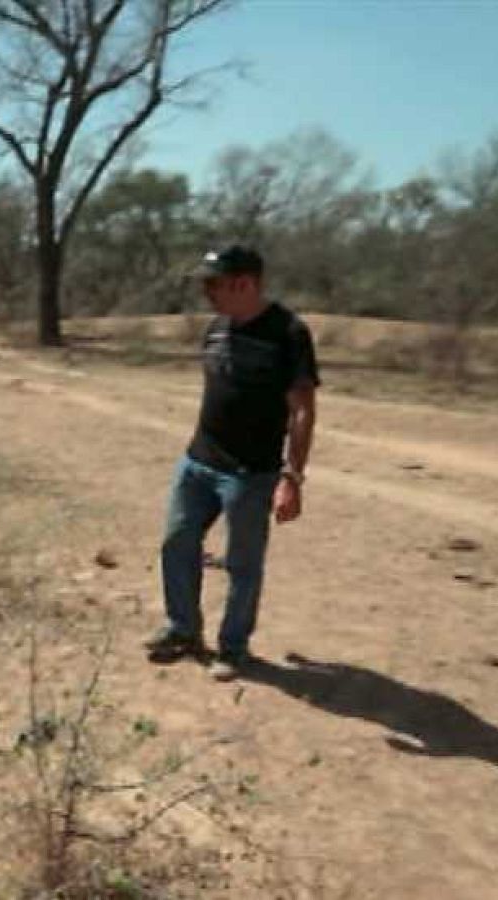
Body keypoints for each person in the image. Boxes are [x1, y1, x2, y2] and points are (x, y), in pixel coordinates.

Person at [144, 246, 320, 681]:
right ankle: (183, 629)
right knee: (177, 543)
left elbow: (301, 409)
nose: (206, 292)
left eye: (214, 283)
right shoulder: (216, 329)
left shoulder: (289, 333)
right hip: (198, 461)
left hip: (251, 473)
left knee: (242, 564)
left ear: (245, 284)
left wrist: (291, 477)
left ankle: (234, 647)